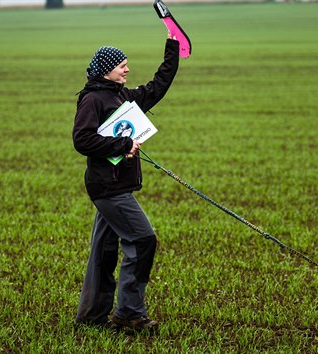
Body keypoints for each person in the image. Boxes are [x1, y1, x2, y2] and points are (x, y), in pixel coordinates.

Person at [73, 35, 180, 331]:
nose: (127, 69)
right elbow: (82, 139)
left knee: (104, 250)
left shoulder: (121, 96)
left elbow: (157, 88)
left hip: (117, 185)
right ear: (107, 69)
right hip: (108, 187)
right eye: (122, 65)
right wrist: (122, 145)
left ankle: (91, 316)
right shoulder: (93, 99)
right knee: (143, 239)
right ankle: (129, 313)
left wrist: (173, 49)